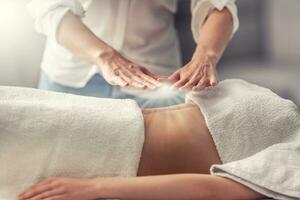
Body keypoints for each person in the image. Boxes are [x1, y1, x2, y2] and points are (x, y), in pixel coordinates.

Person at [11, 79, 300, 200]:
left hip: (106, 151)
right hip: (109, 116)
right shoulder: (282, 109)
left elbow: (217, 191)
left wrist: (91, 187)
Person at [27, 0, 239, 108]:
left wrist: (206, 56)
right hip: (69, 80)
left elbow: (218, 4)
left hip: (157, 83)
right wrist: (105, 56)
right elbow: (49, 7)